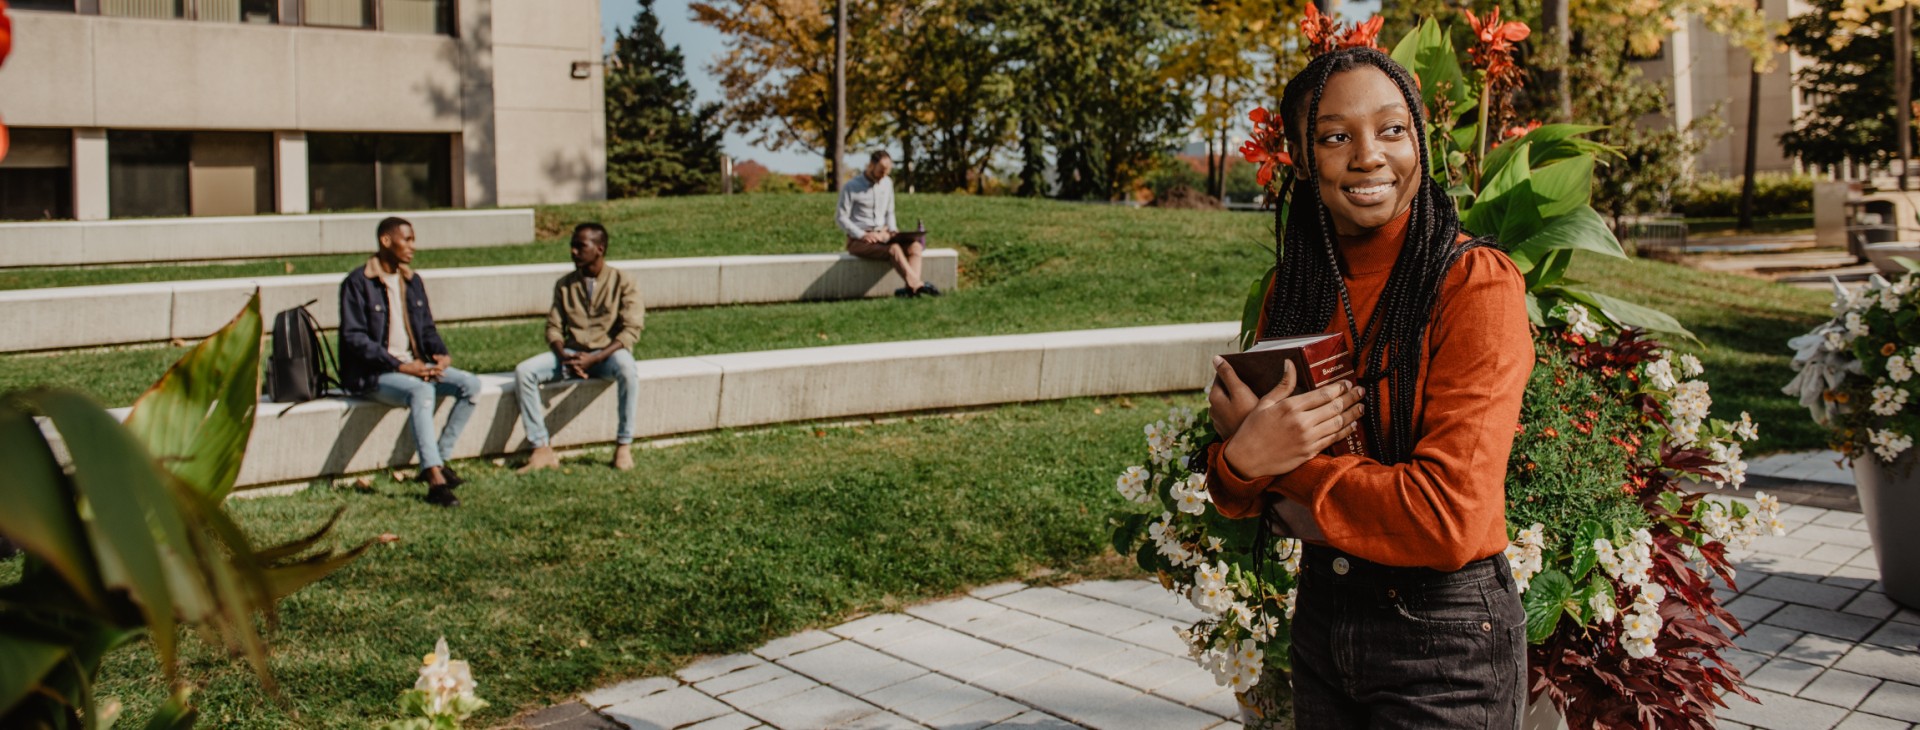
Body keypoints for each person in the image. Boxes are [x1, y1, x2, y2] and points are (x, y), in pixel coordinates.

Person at [1204, 47, 1534, 727]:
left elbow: (1447, 521)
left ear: (1419, 141)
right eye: (1335, 136)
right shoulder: (1294, 291)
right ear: (1301, 156)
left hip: (1446, 639)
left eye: (1392, 130)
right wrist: (1243, 461)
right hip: (1325, 616)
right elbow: (1234, 493)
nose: (1368, 156)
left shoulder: (1473, 284)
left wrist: (1281, 463)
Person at [338, 216, 482, 508]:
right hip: (373, 374)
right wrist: (399, 365)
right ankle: (434, 479)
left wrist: (440, 354)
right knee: (421, 391)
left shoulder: (412, 280)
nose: (413, 247)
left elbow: (426, 327)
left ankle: (439, 460)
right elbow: (354, 339)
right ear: (386, 241)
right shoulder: (357, 282)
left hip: (412, 367)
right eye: (408, 239)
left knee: (470, 384)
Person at [514, 222, 645, 473]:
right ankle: (541, 449)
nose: (573, 252)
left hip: (607, 355)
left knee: (628, 369)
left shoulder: (623, 281)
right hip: (570, 354)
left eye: (580, 246)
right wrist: (564, 355)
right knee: (524, 371)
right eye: (572, 246)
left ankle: (623, 444)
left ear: (599, 249)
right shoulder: (564, 284)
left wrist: (594, 360)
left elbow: (631, 330)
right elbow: (553, 327)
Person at [837, 150, 940, 298]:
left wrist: (893, 230)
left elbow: (889, 212)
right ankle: (917, 285)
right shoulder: (851, 187)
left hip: (884, 236)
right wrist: (863, 234)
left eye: (887, 172)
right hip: (859, 240)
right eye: (881, 171)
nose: (883, 175)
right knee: (894, 249)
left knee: (915, 246)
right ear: (871, 165)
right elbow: (841, 217)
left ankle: (910, 289)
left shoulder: (887, 183)